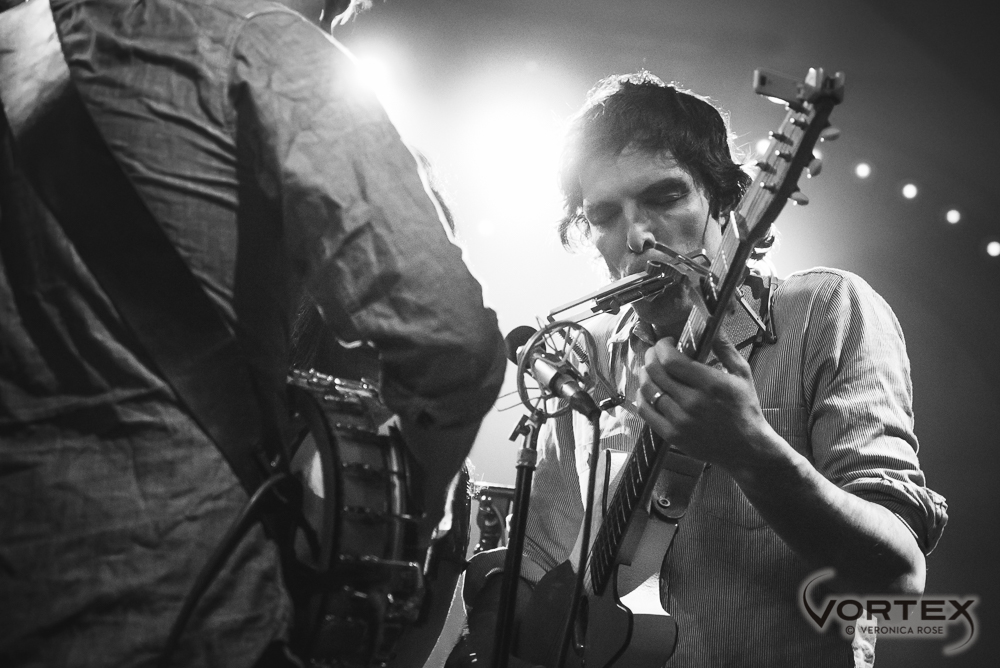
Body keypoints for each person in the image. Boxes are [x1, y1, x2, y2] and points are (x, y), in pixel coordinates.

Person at [0, 0, 506, 666]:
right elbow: (452, 345)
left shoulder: (14, 40)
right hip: (182, 606)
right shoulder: (259, 41)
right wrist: (411, 512)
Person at [459, 71, 947, 667]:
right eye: (606, 215)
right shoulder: (586, 358)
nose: (637, 237)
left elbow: (898, 579)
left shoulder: (825, 311)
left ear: (725, 204)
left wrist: (752, 452)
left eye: (665, 198)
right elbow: (534, 567)